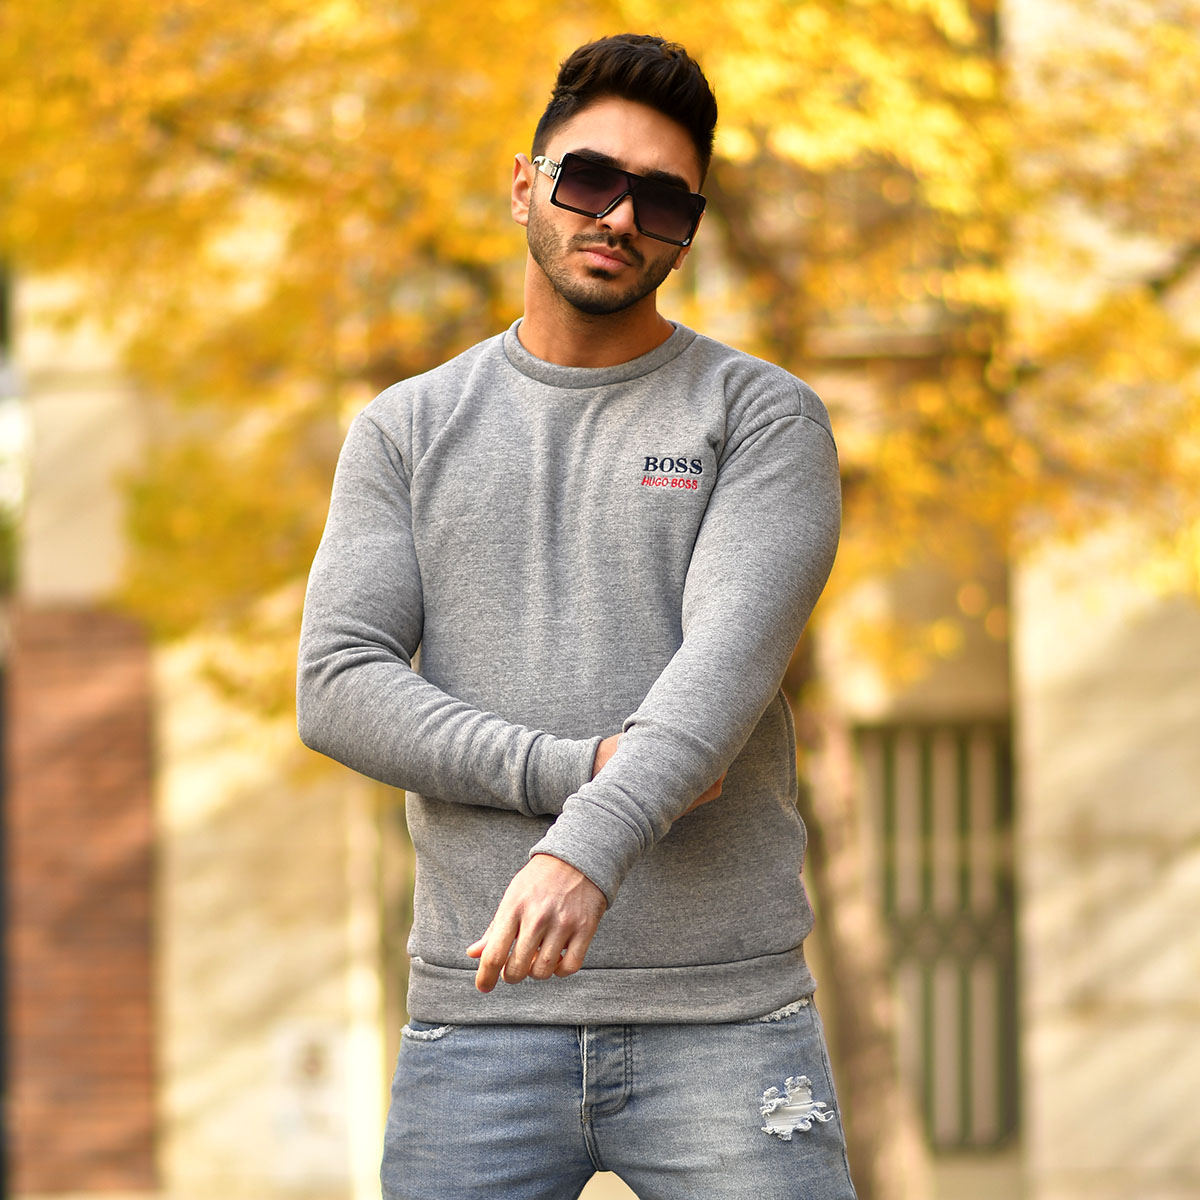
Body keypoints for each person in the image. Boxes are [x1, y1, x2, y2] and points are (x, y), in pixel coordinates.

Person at [297, 32, 854, 1200]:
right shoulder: (405, 429)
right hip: (480, 1018)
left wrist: (577, 855)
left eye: (663, 199)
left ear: (689, 231)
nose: (621, 218)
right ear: (525, 185)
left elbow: (714, 688)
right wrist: (574, 774)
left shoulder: (761, 418)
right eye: (591, 179)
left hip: (726, 1019)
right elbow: (338, 686)